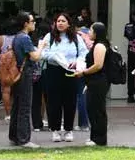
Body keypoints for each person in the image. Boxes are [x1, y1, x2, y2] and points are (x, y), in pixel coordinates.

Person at [39, 12, 88, 141]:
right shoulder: (49, 37)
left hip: (70, 71)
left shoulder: (76, 38)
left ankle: (68, 130)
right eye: (58, 21)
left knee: (70, 101)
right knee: (53, 101)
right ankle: (55, 129)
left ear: (69, 23)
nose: (60, 23)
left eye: (63, 21)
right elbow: (42, 54)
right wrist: (54, 57)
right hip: (53, 71)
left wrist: (77, 62)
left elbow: (84, 54)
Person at [6, 12, 40, 148]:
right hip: (24, 73)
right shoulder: (25, 38)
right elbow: (35, 57)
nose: (34, 23)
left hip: (16, 74)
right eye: (32, 21)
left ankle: (14, 135)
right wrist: (42, 47)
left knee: (17, 106)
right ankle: (24, 139)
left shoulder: (16, 37)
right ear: (26, 23)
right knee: (25, 107)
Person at [78, 22, 113, 146]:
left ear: (97, 32)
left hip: (98, 81)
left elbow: (98, 65)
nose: (89, 33)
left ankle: (99, 139)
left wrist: (84, 72)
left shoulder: (99, 46)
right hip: (94, 80)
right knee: (92, 108)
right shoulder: (97, 45)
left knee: (97, 109)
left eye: (91, 30)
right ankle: (95, 137)